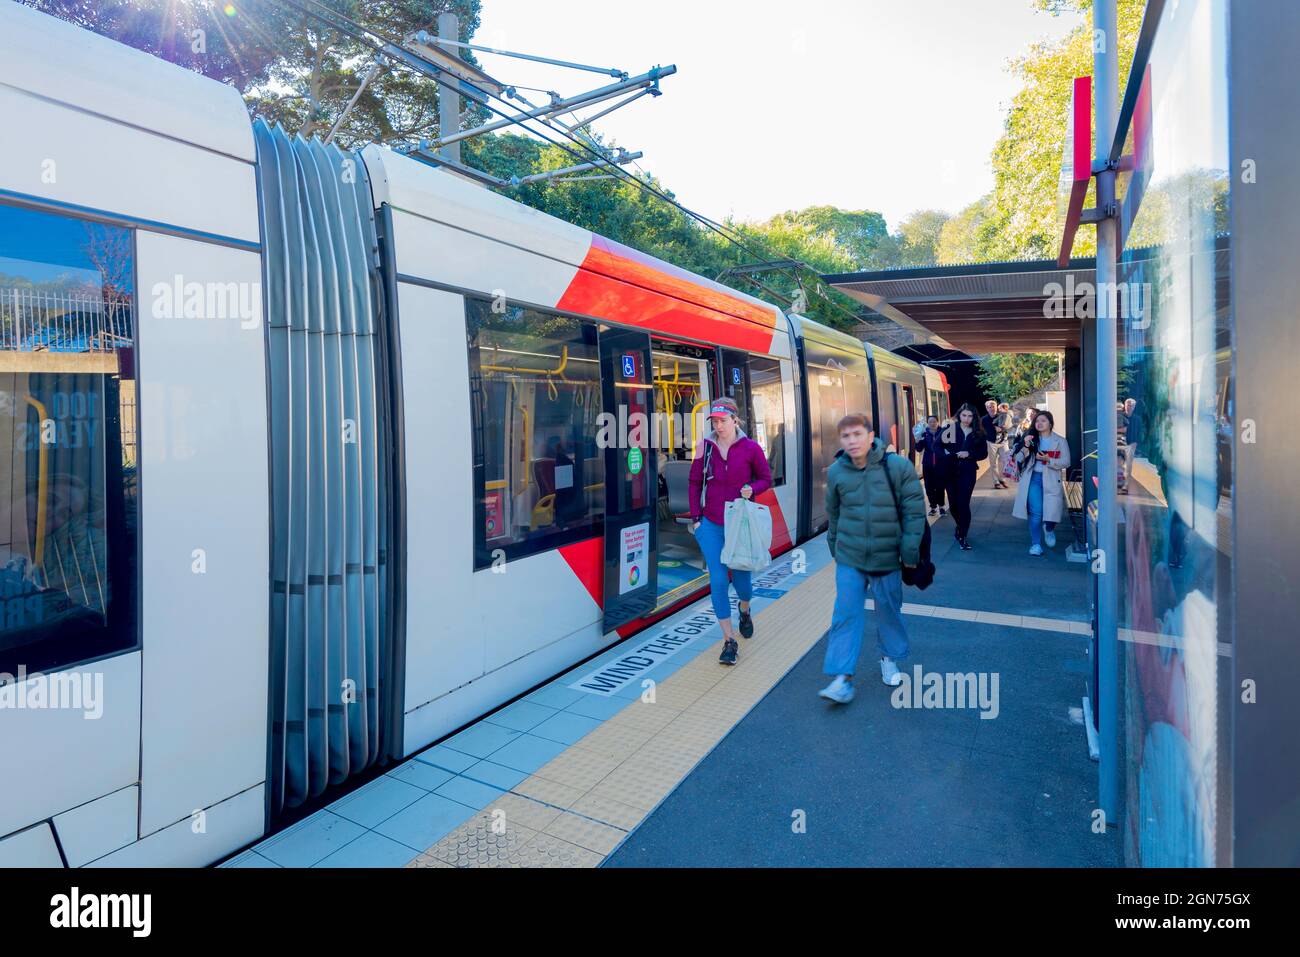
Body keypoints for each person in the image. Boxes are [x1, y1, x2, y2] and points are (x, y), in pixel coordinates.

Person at [818, 413, 926, 703]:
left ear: (870, 435)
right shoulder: (837, 472)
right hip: (850, 558)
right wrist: (834, 547)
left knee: (889, 611)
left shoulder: (898, 467)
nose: (851, 441)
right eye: (845, 436)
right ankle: (842, 678)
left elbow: (914, 511)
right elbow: (835, 514)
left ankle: (889, 658)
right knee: (845, 614)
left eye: (857, 434)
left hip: (888, 558)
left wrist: (909, 552)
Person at [688, 396, 772, 666]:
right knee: (719, 579)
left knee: (743, 581)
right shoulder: (705, 447)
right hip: (711, 524)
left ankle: (744, 609)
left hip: (740, 525)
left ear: (735, 420)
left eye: (723, 421)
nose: (719, 426)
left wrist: (752, 489)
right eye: (715, 421)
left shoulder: (751, 448)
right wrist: (696, 519)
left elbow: (766, 479)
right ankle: (729, 640)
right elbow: (693, 482)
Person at [1012, 409, 1072, 555]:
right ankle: (1036, 545)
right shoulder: (1030, 438)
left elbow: (1066, 461)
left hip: (1051, 479)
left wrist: (1048, 460)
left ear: (1050, 424)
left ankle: (1049, 529)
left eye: (1043, 420)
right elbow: (1017, 459)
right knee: (1036, 512)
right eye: (1037, 421)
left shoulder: (1060, 440)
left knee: (1052, 512)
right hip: (1033, 478)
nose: (1039, 423)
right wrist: (1025, 446)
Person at [942, 403, 988, 550]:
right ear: (959, 415)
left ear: (974, 417)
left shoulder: (979, 432)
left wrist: (969, 454)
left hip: (968, 472)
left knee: (963, 504)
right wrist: (944, 455)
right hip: (950, 471)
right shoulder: (950, 429)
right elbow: (937, 445)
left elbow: (983, 453)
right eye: (964, 415)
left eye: (970, 416)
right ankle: (959, 526)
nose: (967, 419)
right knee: (953, 505)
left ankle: (963, 535)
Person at [918, 414, 949, 516]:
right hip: (928, 464)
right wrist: (918, 439)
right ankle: (933, 507)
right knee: (929, 487)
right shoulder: (924, 433)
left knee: (940, 486)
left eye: (934, 421)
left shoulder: (943, 432)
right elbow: (918, 449)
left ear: (937, 422)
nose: (932, 423)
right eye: (930, 422)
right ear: (928, 423)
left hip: (941, 464)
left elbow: (949, 446)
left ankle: (941, 506)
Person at [981, 399, 1009, 490]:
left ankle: (1002, 479)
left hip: (1003, 442)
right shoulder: (984, 419)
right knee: (993, 464)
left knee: (1007, 461)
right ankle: (996, 482)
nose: (992, 408)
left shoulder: (1002, 416)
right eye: (990, 407)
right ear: (987, 409)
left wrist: (1002, 429)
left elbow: (1008, 426)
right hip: (991, 443)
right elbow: (980, 431)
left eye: (993, 406)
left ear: (996, 407)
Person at [1120, 397, 1143, 494]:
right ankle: (1117, 484)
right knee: (1118, 465)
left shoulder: (1137, 419)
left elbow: (1139, 432)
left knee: (1128, 465)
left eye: (1131, 406)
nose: (1129, 407)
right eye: (1128, 405)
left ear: (1134, 407)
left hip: (1131, 445)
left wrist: (1136, 443)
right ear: (1125, 405)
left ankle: (1126, 486)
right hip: (1119, 443)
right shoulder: (1119, 417)